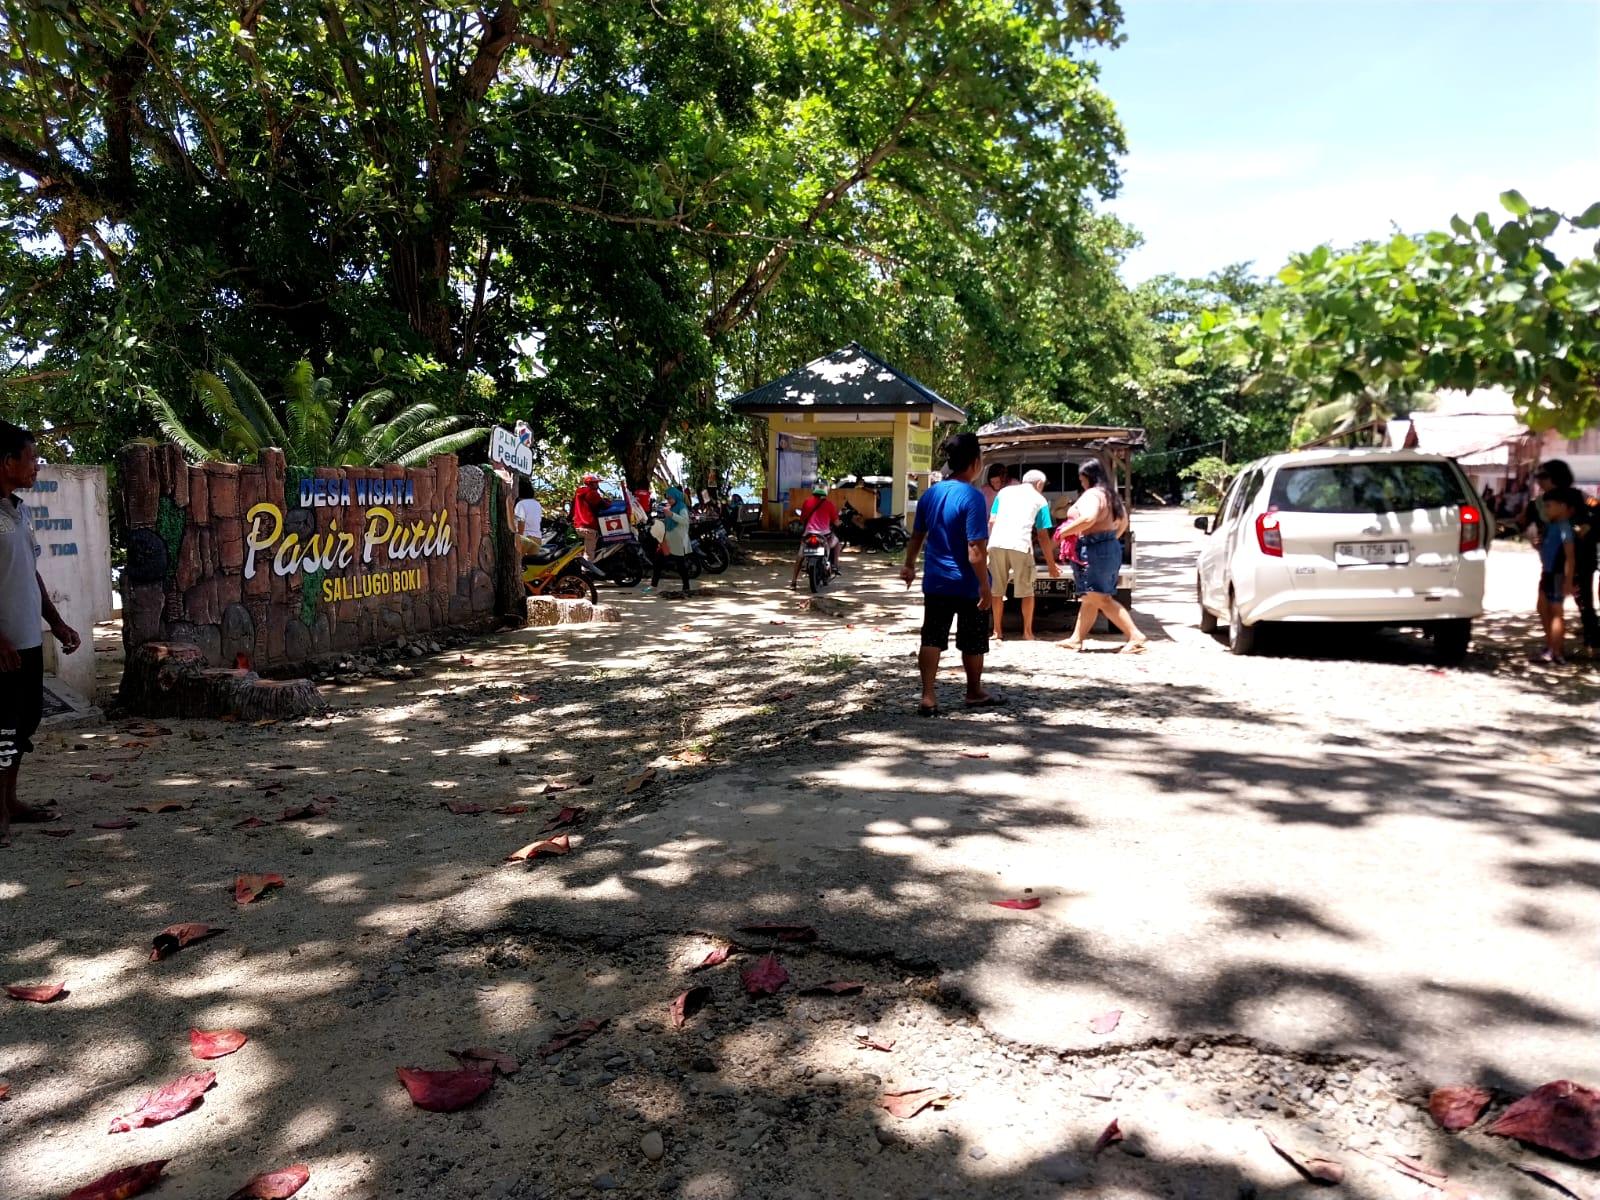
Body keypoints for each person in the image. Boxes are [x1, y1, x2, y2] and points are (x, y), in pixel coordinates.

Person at [1, 422, 79, 846]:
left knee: (25, 721)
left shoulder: (20, 511)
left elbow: (31, 574)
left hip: (28, 638)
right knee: (4, 727)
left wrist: (57, 622)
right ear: (7, 461)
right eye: (30, 458)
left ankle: (10, 801)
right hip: (4, 646)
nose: (36, 466)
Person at [900, 432, 998, 716]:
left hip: (937, 582)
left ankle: (928, 696)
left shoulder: (930, 494)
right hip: (967, 584)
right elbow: (975, 549)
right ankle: (973, 691)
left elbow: (917, 536)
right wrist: (984, 586)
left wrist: (909, 565)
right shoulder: (973, 497)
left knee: (932, 637)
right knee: (973, 641)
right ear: (976, 462)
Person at [1055, 458, 1147, 653]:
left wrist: (1064, 532)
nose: (1081, 483)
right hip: (1108, 546)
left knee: (1100, 598)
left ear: (1089, 477)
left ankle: (1135, 635)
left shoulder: (1093, 495)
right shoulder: (1110, 495)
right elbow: (1123, 523)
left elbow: (1089, 518)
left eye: (1082, 479)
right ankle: (1076, 639)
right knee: (1090, 597)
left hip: (1094, 549)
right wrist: (1109, 540)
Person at [1523, 460, 1597, 654]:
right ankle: (1553, 646)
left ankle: (1592, 642)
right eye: (1537, 476)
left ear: (1557, 477)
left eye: (1543, 476)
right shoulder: (1537, 503)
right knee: (1545, 605)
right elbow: (1523, 523)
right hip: (1553, 563)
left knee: (1584, 603)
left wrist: (1588, 526)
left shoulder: (1580, 496)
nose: (1539, 480)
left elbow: (1598, 510)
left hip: (1581, 558)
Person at [987, 469, 1060, 641]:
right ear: (1039, 484)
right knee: (1027, 591)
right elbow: (1042, 535)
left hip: (996, 544)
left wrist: (992, 541)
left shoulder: (1003, 492)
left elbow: (992, 521)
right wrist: (1051, 564)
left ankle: (997, 632)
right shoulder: (1040, 500)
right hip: (1020, 545)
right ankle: (1027, 633)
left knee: (997, 589)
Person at [1535, 486, 1582, 665]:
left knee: (1556, 613)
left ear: (1562, 506)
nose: (1546, 510)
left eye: (1549, 506)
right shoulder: (1550, 526)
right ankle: (1550, 646)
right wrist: (1538, 545)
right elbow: (1546, 551)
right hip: (1546, 573)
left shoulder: (1565, 528)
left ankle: (1557, 652)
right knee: (1542, 608)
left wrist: (1568, 581)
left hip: (1557, 575)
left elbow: (1570, 556)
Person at [790, 486, 841, 589]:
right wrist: (840, 522)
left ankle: (793, 582)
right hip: (824, 536)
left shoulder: (807, 502)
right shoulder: (829, 504)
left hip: (808, 535)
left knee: (800, 556)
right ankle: (835, 565)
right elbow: (836, 522)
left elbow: (802, 519)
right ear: (824, 494)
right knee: (837, 542)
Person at [650, 484, 693, 596]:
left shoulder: (681, 507)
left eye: (670, 498)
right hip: (668, 540)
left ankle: (686, 586)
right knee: (658, 560)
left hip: (678, 541)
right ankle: (653, 585)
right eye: (667, 498)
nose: (668, 500)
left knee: (680, 564)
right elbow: (668, 522)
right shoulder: (671, 507)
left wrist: (672, 515)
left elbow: (684, 521)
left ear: (675, 497)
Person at [572, 473, 605, 561]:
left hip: (578, 527)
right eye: (596, 483)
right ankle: (586, 568)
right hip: (589, 527)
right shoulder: (591, 493)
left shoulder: (578, 494)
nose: (597, 485)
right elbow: (602, 504)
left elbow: (572, 510)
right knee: (589, 554)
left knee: (579, 552)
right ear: (591, 484)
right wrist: (609, 502)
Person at [513, 481, 543, 553]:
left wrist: (519, 537)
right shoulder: (537, 504)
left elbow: (521, 523)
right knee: (531, 560)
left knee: (520, 559)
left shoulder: (521, 504)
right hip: (537, 538)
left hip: (526, 537)